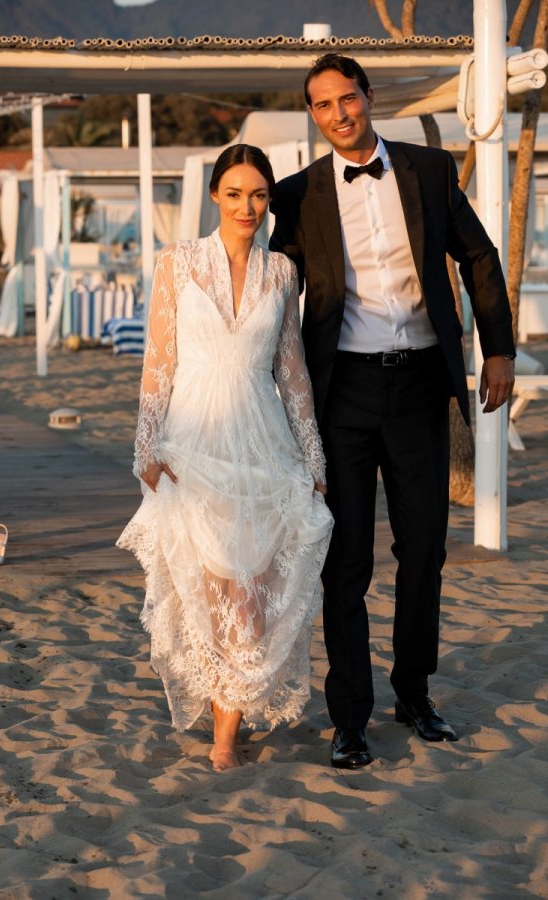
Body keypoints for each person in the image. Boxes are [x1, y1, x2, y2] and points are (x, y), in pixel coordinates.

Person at [270, 54, 516, 769]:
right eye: (323, 105)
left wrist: (496, 350)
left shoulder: (429, 172)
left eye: (348, 98)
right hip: (339, 393)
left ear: (368, 98)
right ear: (312, 116)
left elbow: (478, 258)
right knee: (345, 562)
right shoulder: (296, 195)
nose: (340, 114)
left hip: (418, 388)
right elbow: (273, 293)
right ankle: (350, 716)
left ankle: (414, 692)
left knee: (425, 551)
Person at [118, 144, 333, 772]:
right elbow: (158, 361)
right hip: (194, 441)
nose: (249, 207)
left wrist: (314, 457)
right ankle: (222, 723)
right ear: (215, 195)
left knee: (250, 590)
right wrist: (146, 444)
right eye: (235, 194)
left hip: (263, 442)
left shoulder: (282, 273)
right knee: (208, 589)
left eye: (259, 195)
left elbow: (291, 373)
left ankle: (227, 725)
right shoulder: (178, 263)